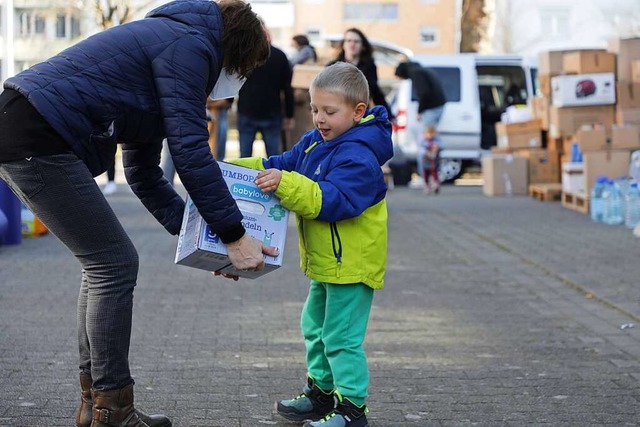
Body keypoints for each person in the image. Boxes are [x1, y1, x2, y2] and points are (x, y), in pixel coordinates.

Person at [0, 1, 277, 426]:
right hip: (37, 132)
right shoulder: (191, 47)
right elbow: (190, 152)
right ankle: (111, 410)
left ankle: (98, 405)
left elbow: (144, 174)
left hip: (26, 125)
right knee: (113, 263)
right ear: (236, 51)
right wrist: (235, 236)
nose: (240, 80)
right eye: (247, 69)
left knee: (102, 264)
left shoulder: (170, 43)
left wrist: (207, 244)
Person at [231, 62, 393, 427]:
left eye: (329, 112)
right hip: (327, 263)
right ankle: (321, 394)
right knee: (315, 327)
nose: (319, 118)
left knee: (341, 337)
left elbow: (333, 200)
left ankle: (353, 410)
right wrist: (230, 169)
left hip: (351, 266)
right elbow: (280, 163)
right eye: (315, 109)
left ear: (358, 111)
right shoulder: (317, 141)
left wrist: (285, 184)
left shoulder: (360, 155)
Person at [236, 25, 295, 158]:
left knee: (244, 159)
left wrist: (227, 101)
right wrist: (289, 115)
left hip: (248, 110)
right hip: (271, 112)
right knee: (274, 158)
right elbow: (287, 88)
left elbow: (233, 80)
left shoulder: (244, 54)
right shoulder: (280, 55)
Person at [394, 61, 447, 181]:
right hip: (439, 106)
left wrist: (419, 110)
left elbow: (424, 93)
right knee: (432, 141)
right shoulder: (422, 69)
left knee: (423, 144)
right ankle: (434, 175)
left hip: (431, 109)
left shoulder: (416, 73)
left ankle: (425, 177)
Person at [328, 28, 394, 121]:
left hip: (359, 115)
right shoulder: (332, 66)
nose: (352, 44)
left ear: (363, 46)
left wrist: (389, 115)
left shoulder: (369, 66)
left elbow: (375, 91)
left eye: (356, 41)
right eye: (349, 41)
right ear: (343, 44)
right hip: (337, 115)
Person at [420, 125, 442, 194]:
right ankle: (426, 185)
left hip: (434, 160)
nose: (431, 135)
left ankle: (435, 184)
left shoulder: (437, 140)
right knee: (426, 173)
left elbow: (441, 146)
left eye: (432, 134)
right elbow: (421, 149)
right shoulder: (423, 141)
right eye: (429, 134)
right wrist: (427, 153)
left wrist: (436, 147)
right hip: (426, 160)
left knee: (434, 172)